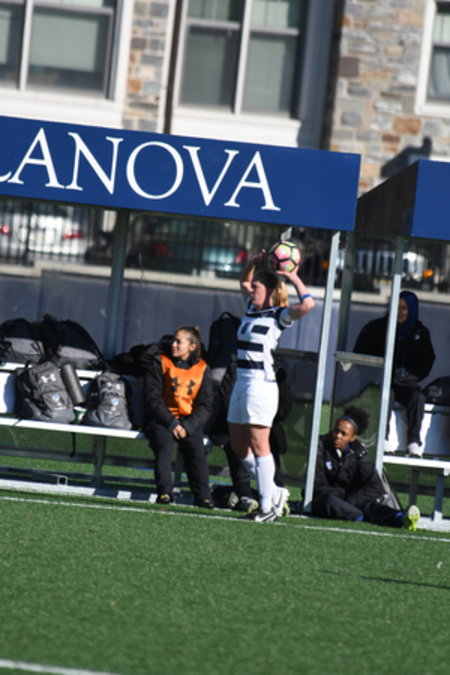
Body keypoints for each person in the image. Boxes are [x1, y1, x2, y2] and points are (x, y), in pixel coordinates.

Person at [227, 248, 315, 523]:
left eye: (257, 287)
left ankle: (266, 508)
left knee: (259, 444)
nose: (251, 290)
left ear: (270, 292)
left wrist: (293, 276)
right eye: (253, 287)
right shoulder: (250, 308)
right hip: (241, 382)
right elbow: (243, 281)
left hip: (260, 385)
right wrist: (253, 263)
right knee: (238, 446)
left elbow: (308, 305)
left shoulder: (279, 315)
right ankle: (275, 491)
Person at [354, 290, 435, 457]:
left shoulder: (420, 332)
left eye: (404, 308)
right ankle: (382, 438)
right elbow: (360, 356)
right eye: (397, 307)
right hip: (380, 382)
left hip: (405, 384)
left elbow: (427, 361)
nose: (400, 312)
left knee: (417, 397)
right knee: (386, 394)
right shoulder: (377, 328)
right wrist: (376, 374)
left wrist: (409, 377)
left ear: (412, 310)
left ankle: (413, 443)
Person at [311, 406, 420, 530]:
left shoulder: (359, 454)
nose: (337, 436)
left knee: (372, 506)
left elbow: (376, 486)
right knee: (328, 500)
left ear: (352, 438)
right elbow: (318, 483)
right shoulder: (321, 446)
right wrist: (343, 497)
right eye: (336, 431)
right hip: (329, 497)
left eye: (343, 434)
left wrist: (352, 500)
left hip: (351, 500)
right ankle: (358, 516)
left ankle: (399, 517)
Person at [143, 326, 214, 508]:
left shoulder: (202, 368)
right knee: (164, 446)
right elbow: (152, 398)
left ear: (192, 347)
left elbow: (205, 406)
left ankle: (203, 497)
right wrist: (172, 423)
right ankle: (165, 492)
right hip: (162, 418)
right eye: (174, 341)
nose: (173, 345)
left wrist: (188, 427)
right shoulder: (160, 361)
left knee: (196, 451)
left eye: (178, 342)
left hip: (188, 420)